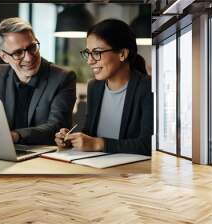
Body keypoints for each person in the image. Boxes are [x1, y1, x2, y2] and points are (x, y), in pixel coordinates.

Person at [54, 19, 153, 156]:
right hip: (96, 165)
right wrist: (72, 138)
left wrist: (98, 144)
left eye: (97, 52)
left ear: (122, 54)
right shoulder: (94, 87)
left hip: (130, 172)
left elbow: (148, 144)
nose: (90, 61)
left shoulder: (147, 87)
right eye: (88, 53)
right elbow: (90, 132)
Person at [0, 17, 77, 145]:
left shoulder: (63, 77)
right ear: (3, 56)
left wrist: (15, 136)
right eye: (18, 53)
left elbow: (57, 127)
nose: (29, 58)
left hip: (43, 156)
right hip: (0, 149)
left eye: (32, 47)